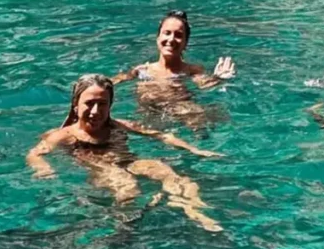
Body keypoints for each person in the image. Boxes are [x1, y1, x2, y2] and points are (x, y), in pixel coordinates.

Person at [26, 73, 224, 232]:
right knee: (126, 184)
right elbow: (35, 153)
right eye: (89, 103)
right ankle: (124, 228)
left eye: (102, 104)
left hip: (129, 161)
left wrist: (194, 149)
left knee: (167, 171)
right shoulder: (63, 135)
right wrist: (43, 168)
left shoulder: (119, 126)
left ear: (110, 105)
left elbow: (161, 135)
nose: (95, 111)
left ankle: (195, 211)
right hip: (101, 167)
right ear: (76, 106)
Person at [113, 11, 235, 127]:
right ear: (158, 38)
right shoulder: (141, 70)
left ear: (185, 43)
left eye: (178, 35)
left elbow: (206, 86)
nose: (171, 39)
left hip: (184, 115)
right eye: (167, 33)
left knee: (196, 115)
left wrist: (219, 79)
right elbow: (109, 83)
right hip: (150, 122)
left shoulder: (191, 71)